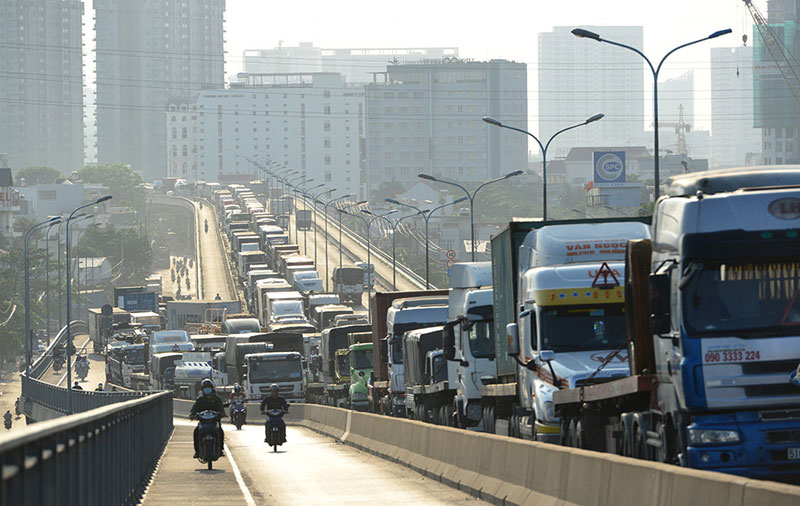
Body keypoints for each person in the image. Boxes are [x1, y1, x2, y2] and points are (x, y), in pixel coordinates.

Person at [189, 378, 225, 458]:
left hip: (214, 421)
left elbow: (221, 408)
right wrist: (192, 414)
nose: (207, 389)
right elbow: (194, 408)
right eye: (205, 388)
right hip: (203, 422)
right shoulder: (200, 400)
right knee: (196, 432)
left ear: (212, 388)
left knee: (220, 431)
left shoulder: (216, 399)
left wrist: (222, 413)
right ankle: (197, 451)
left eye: (208, 387)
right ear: (202, 389)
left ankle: (220, 450)